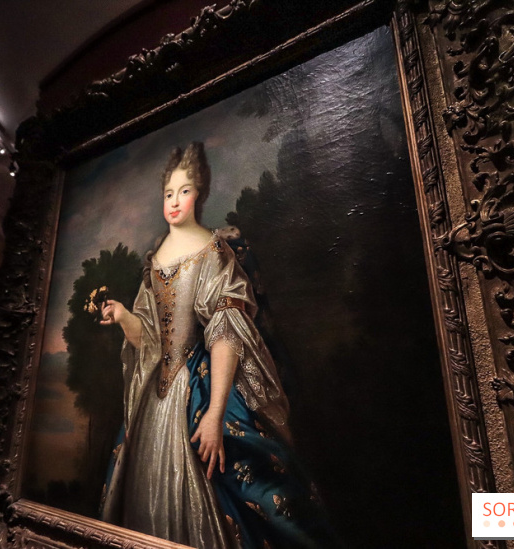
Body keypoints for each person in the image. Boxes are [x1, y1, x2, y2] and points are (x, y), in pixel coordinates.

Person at [99, 143, 337, 548]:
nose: (175, 201)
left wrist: (212, 415)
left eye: (185, 191)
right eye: (168, 193)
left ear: (200, 195)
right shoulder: (154, 260)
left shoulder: (213, 252)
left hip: (200, 392)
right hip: (154, 406)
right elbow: (150, 340)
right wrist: (124, 316)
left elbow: (226, 333)